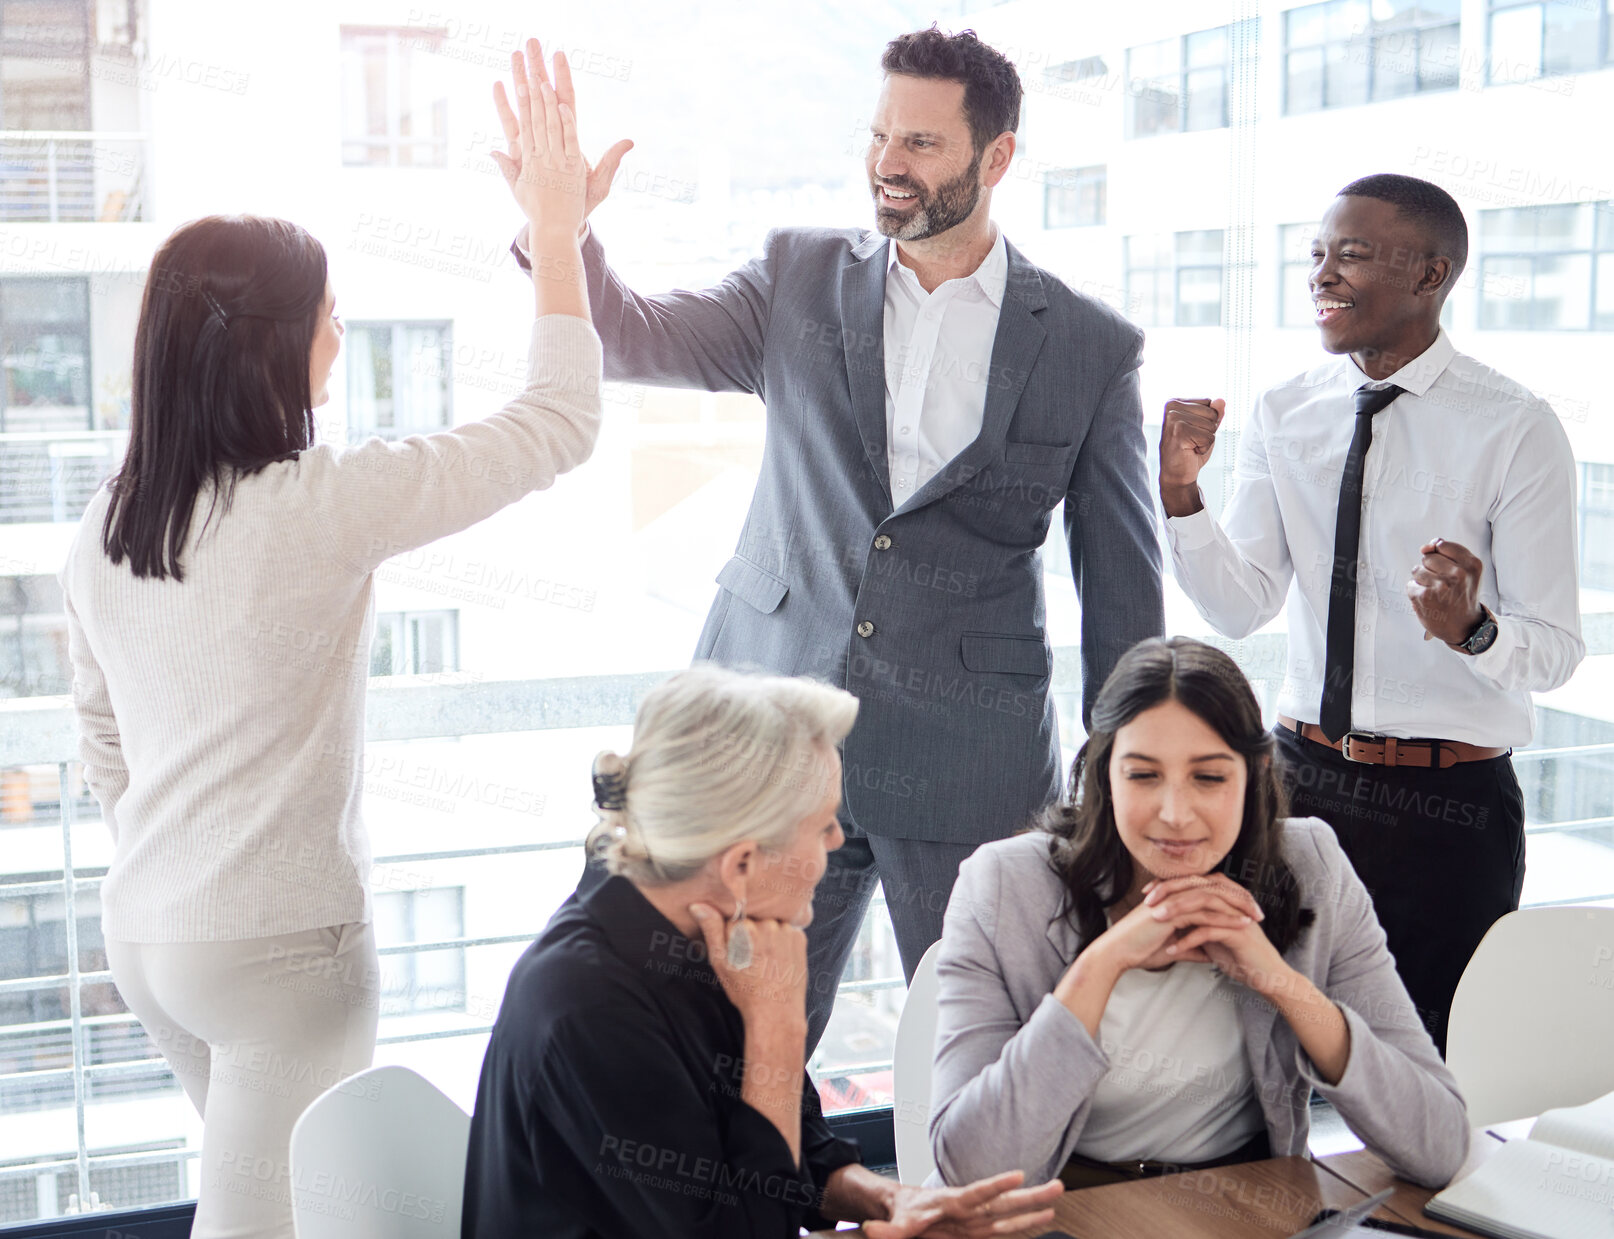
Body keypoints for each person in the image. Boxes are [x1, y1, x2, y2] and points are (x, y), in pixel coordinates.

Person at [502, 26, 1164, 1051]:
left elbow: (1123, 592)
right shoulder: (797, 278)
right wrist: (561, 230)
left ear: (998, 159)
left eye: (924, 145)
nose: (888, 165)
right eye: (880, 136)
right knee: (728, 1044)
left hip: (967, 756)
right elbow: (628, 334)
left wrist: (1132, 789)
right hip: (770, 733)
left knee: (988, 1052)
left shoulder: (1090, 347)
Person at [58, 43, 600, 1238]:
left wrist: (184, 856)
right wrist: (556, 234)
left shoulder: (110, 522)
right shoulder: (315, 505)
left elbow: (101, 737)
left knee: (287, 1211)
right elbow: (559, 422)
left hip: (151, 935)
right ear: (271, 346)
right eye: (329, 314)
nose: (342, 335)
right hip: (278, 954)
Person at [1158, 173, 1583, 1053]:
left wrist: (1475, 629)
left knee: (1428, 1064)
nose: (1322, 275)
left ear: (1431, 275)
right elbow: (1243, 605)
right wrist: (1181, 495)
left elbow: (1556, 650)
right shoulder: (1286, 411)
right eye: (1317, 254)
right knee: (1260, 1045)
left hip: (1447, 809)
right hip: (1300, 784)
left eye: (1351, 255)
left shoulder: (1515, 425)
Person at [461, 664, 1064, 1237]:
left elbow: (792, 1151)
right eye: (823, 823)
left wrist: (888, 1196)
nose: (837, 839)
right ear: (742, 863)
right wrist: (775, 1031)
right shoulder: (591, 1008)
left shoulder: (700, 930)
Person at [928, 637, 1468, 1193]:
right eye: (1142, 775)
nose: (1175, 814)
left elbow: (1441, 1147)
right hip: (1063, 1208)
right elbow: (970, 1168)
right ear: (1104, 773)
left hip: (1240, 1202)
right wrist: (1100, 967)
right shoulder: (1003, 885)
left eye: (1208, 778)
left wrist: (1280, 982)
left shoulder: (1313, 869)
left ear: (1255, 772)